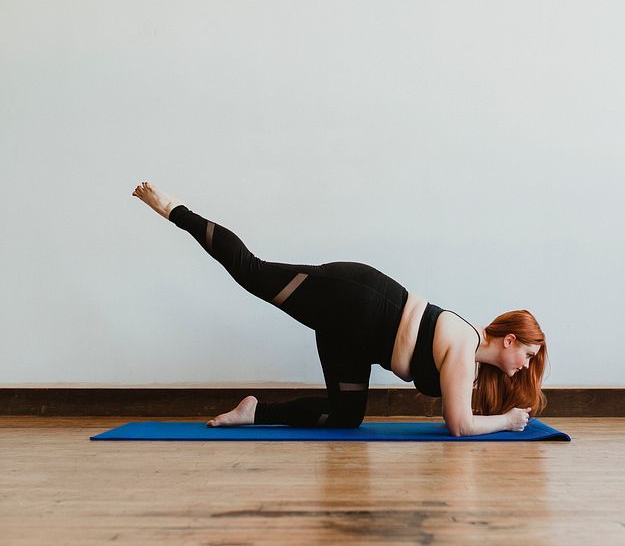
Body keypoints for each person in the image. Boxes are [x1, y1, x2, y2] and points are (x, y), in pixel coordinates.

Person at [132, 182, 548, 435]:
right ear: (509, 339)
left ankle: (253, 412)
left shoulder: (470, 363)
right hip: (355, 299)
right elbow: (459, 427)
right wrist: (508, 422)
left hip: (356, 340)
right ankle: (172, 208)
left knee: (345, 415)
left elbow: (459, 417)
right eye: (527, 356)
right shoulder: (464, 345)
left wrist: (501, 411)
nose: (525, 366)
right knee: (253, 272)